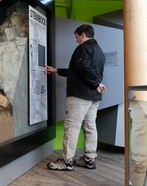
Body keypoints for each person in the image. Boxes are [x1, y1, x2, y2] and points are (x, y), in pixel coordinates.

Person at [45, 24, 106, 171]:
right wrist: (56, 71)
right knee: (90, 127)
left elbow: (85, 68)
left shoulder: (82, 48)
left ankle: (66, 161)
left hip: (80, 95)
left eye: (77, 37)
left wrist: (96, 83)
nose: (76, 40)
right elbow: (78, 71)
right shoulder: (99, 50)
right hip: (93, 97)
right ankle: (89, 159)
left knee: (71, 128)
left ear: (83, 35)